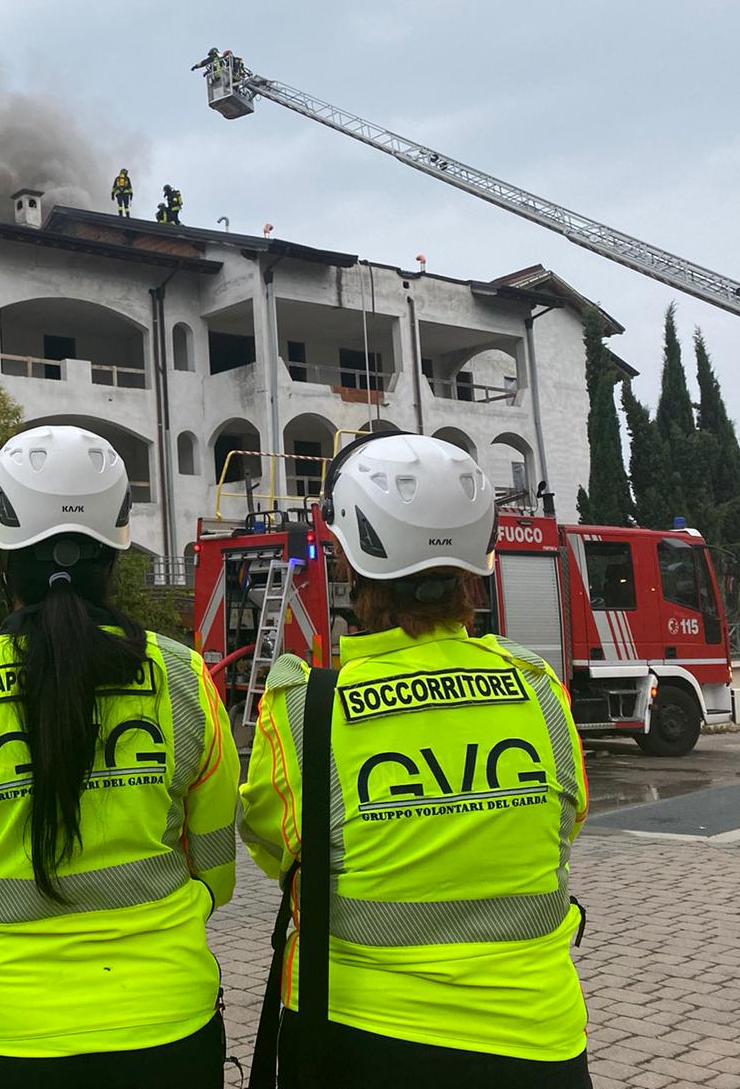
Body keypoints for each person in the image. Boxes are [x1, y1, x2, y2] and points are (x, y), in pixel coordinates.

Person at [0, 424, 239, 1087]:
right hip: (167, 1022)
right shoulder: (185, 678)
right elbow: (215, 865)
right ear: (117, 548)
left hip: (6, 1031)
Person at [240, 431, 591, 1089]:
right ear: (479, 561)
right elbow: (562, 827)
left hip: (359, 1043)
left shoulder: (301, 708)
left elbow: (278, 848)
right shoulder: (541, 690)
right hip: (539, 1042)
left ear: (344, 559)